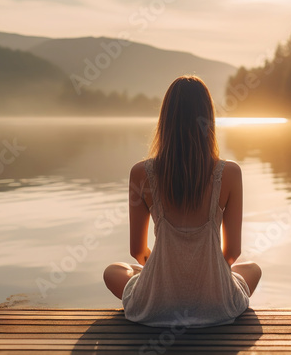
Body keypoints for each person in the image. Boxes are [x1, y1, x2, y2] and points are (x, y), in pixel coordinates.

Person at [102, 75, 261, 327]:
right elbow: (232, 253)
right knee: (252, 269)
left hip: (156, 306)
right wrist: (202, 273)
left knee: (113, 270)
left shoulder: (141, 173)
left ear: (165, 120)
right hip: (216, 306)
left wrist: (166, 271)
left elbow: (137, 251)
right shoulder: (229, 174)